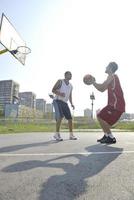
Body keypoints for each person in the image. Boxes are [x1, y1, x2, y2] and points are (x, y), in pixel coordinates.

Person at [91, 62, 125, 144]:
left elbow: (101, 87)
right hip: (112, 105)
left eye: (107, 66)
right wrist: (94, 82)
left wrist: (93, 82)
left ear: (110, 68)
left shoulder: (112, 76)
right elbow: (102, 89)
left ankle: (111, 137)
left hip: (116, 105)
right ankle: (107, 135)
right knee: (99, 116)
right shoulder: (110, 77)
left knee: (100, 116)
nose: (105, 67)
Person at [52, 71, 77, 141]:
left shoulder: (71, 86)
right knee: (60, 116)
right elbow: (53, 90)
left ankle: (71, 135)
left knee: (70, 118)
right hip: (57, 101)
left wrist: (72, 103)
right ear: (65, 75)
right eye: (69, 74)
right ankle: (56, 134)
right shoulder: (60, 81)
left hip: (64, 103)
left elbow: (70, 96)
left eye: (71, 74)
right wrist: (60, 93)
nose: (71, 75)